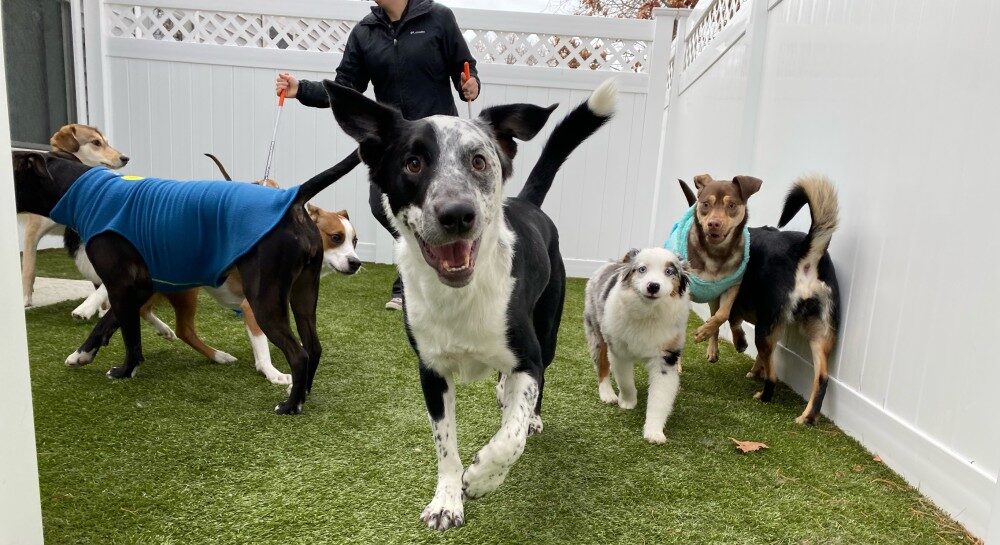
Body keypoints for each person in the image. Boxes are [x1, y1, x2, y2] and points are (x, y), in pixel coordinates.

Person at [276, 0, 481, 310]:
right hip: (396, 144)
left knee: (444, 210)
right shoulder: (365, 32)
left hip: (439, 142)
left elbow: (464, 66)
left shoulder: (438, 18)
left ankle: (420, 282)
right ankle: (417, 274)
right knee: (381, 205)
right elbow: (345, 87)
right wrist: (300, 89)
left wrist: (470, 82)